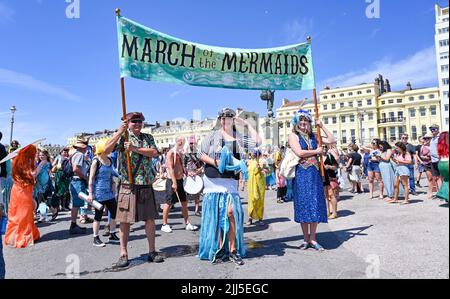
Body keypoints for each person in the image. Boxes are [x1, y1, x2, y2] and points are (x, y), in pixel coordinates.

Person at [199, 108, 261, 265]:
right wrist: (215, 162)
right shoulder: (212, 136)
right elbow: (200, 154)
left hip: (230, 180)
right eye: (222, 117)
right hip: (213, 179)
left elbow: (258, 142)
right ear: (220, 119)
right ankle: (221, 248)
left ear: (233, 120)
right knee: (218, 215)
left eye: (228, 117)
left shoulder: (239, 137)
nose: (225, 120)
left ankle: (233, 249)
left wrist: (246, 124)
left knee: (231, 212)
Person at [104, 112, 164, 268]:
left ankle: (152, 251)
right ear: (127, 123)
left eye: (140, 121)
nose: (138, 124)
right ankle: (123, 254)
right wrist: (119, 132)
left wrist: (134, 149)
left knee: (149, 219)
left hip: (145, 183)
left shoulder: (147, 138)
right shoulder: (122, 137)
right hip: (127, 184)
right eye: (134, 121)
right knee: (124, 221)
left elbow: (154, 152)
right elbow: (105, 150)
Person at [289, 110, 334, 251]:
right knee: (303, 204)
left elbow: (332, 140)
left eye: (306, 122)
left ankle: (313, 238)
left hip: (314, 174)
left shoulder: (314, 135)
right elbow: (300, 152)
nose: (303, 125)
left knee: (314, 203)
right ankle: (305, 238)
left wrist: (322, 126)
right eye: (301, 122)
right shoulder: (293, 135)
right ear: (296, 123)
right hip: (302, 173)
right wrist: (317, 151)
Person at [4, 145, 40, 248]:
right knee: (24, 214)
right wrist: (38, 169)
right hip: (22, 193)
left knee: (19, 214)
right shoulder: (22, 165)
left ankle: (26, 235)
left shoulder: (20, 164)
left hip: (19, 192)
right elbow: (28, 178)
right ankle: (22, 237)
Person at [161, 136, 198, 233]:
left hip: (180, 180)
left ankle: (187, 223)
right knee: (168, 203)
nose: (182, 143)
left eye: (183, 142)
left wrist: (187, 173)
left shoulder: (179, 153)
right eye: (180, 142)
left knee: (184, 203)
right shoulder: (171, 153)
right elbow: (170, 168)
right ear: (177, 141)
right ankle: (164, 224)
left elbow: (181, 166)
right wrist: (173, 182)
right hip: (172, 181)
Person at [69, 137, 92, 234]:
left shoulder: (76, 154)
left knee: (77, 204)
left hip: (76, 180)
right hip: (78, 180)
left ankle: (74, 224)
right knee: (76, 204)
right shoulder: (79, 155)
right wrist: (85, 178)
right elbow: (75, 169)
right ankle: (73, 225)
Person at [184, 135, 204, 216]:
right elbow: (183, 165)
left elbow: (203, 165)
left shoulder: (199, 154)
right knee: (186, 194)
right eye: (191, 143)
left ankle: (196, 210)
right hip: (188, 175)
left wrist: (197, 172)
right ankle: (186, 211)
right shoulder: (186, 154)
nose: (192, 145)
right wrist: (187, 172)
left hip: (197, 175)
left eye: (193, 143)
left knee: (197, 193)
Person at [33, 150, 54, 222]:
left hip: (44, 184)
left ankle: (43, 216)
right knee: (41, 200)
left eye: (43, 155)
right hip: (38, 184)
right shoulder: (39, 163)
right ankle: (48, 213)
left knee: (42, 200)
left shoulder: (47, 164)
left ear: (46, 156)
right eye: (40, 155)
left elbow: (47, 174)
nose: (41, 156)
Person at [247, 150, 266, 226]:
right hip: (251, 184)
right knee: (251, 200)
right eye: (252, 153)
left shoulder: (263, 161)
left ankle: (260, 218)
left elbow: (268, 170)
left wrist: (261, 169)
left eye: (254, 153)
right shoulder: (249, 162)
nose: (252, 154)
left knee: (260, 200)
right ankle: (250, 217)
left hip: (260, 184)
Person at [323, 143, 340, 219]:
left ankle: (334, 213)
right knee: (325, 196)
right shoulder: (317, 157)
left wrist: (329, 167)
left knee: (332, 195)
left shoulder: (329, 156)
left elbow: (336, 166)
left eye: (325, 147)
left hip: (330, 177)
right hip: (322, 178)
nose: (324, 148)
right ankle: (327, 212)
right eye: (322, 147)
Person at [418, 135, 434, 199]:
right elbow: (421, 156)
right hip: (426, 164)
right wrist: (425, 157)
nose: (426, 139)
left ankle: (439, 191)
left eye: (428, 138)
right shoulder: (423, 147)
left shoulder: (433, 146)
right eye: (425, 138)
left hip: (434, 163)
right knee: (430, 178)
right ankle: (430, 192)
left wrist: (431, 155)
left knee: (436, 178)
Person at [436, 132, 449, 202]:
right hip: (448, 163)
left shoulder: (440, 145)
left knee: (447, 180)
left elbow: (439, 156)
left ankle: (445, 195)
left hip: (441, 164)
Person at [430, 124, 443, 191]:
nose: (432, 131)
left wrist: (440, 157)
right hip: (433, 160)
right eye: (431, 129)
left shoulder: (440, 137)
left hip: (439, 160)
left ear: (438, 129)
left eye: (434, 129)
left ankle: (444, 191)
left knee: (442, 177)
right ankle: (440, 192)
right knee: (437, 177)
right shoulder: (432, 138)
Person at [0, 132, 8, 211]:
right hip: (2, 174)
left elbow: (3, 162)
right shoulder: (2, 147)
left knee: (1, 194)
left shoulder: (1, 147)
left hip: (1, 174)